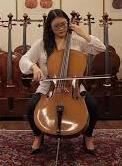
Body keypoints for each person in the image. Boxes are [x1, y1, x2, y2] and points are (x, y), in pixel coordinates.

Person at [19, 9, 106, 155]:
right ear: (50, 28)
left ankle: (88, 136)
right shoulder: (42, 44)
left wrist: (83, 33)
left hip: (74, 86)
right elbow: (24, 59)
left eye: (64, 24)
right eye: (56, 26)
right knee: (31, 107)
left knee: (93, 106)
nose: (61, 28)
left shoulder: (77, 41)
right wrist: (34, 67)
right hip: (49, 86)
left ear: (69, 23)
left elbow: (101, 48)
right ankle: (38, 136)